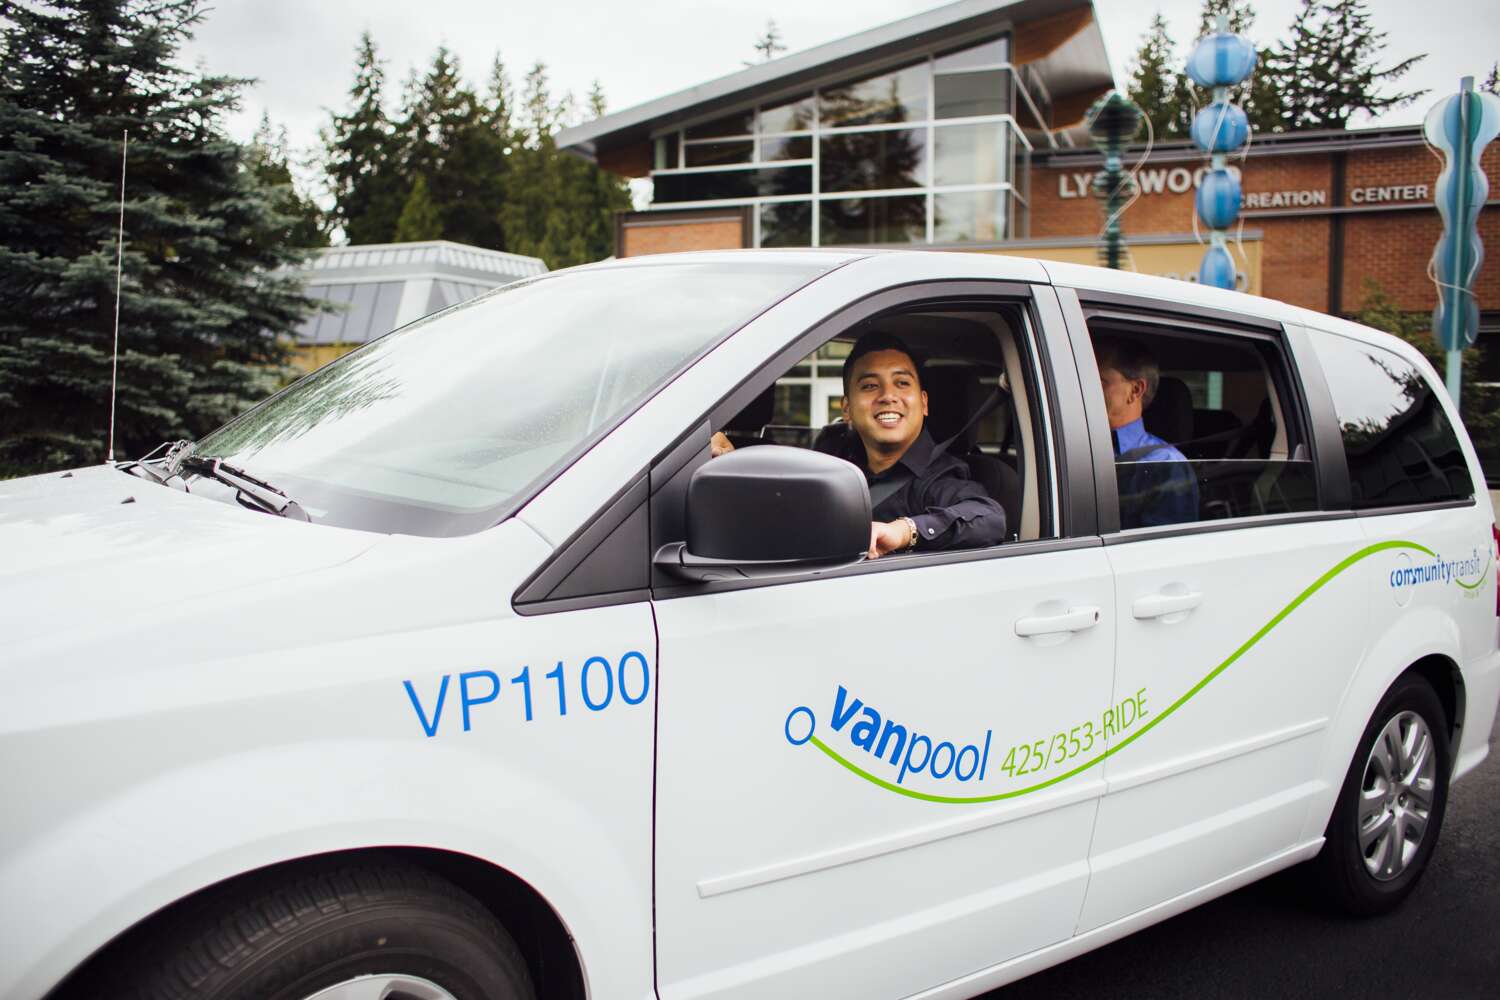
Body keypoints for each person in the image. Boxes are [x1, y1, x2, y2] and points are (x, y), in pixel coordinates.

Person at [711, 331, 1006, 558]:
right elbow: (784, 488)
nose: (888, 395)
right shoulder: (833, 453)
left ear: (925, 403)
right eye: (869, 386)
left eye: (902, 383)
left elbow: (989, 517)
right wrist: (733, 456)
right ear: (847, 408)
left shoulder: (942, 477)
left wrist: (904, 531)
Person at [1094, 337, 1198, 529]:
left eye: (1098, 381)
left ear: (1135, 390)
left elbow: (1160, 551)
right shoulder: (1060, 444)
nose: (1084, 389)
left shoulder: (1165, 464)